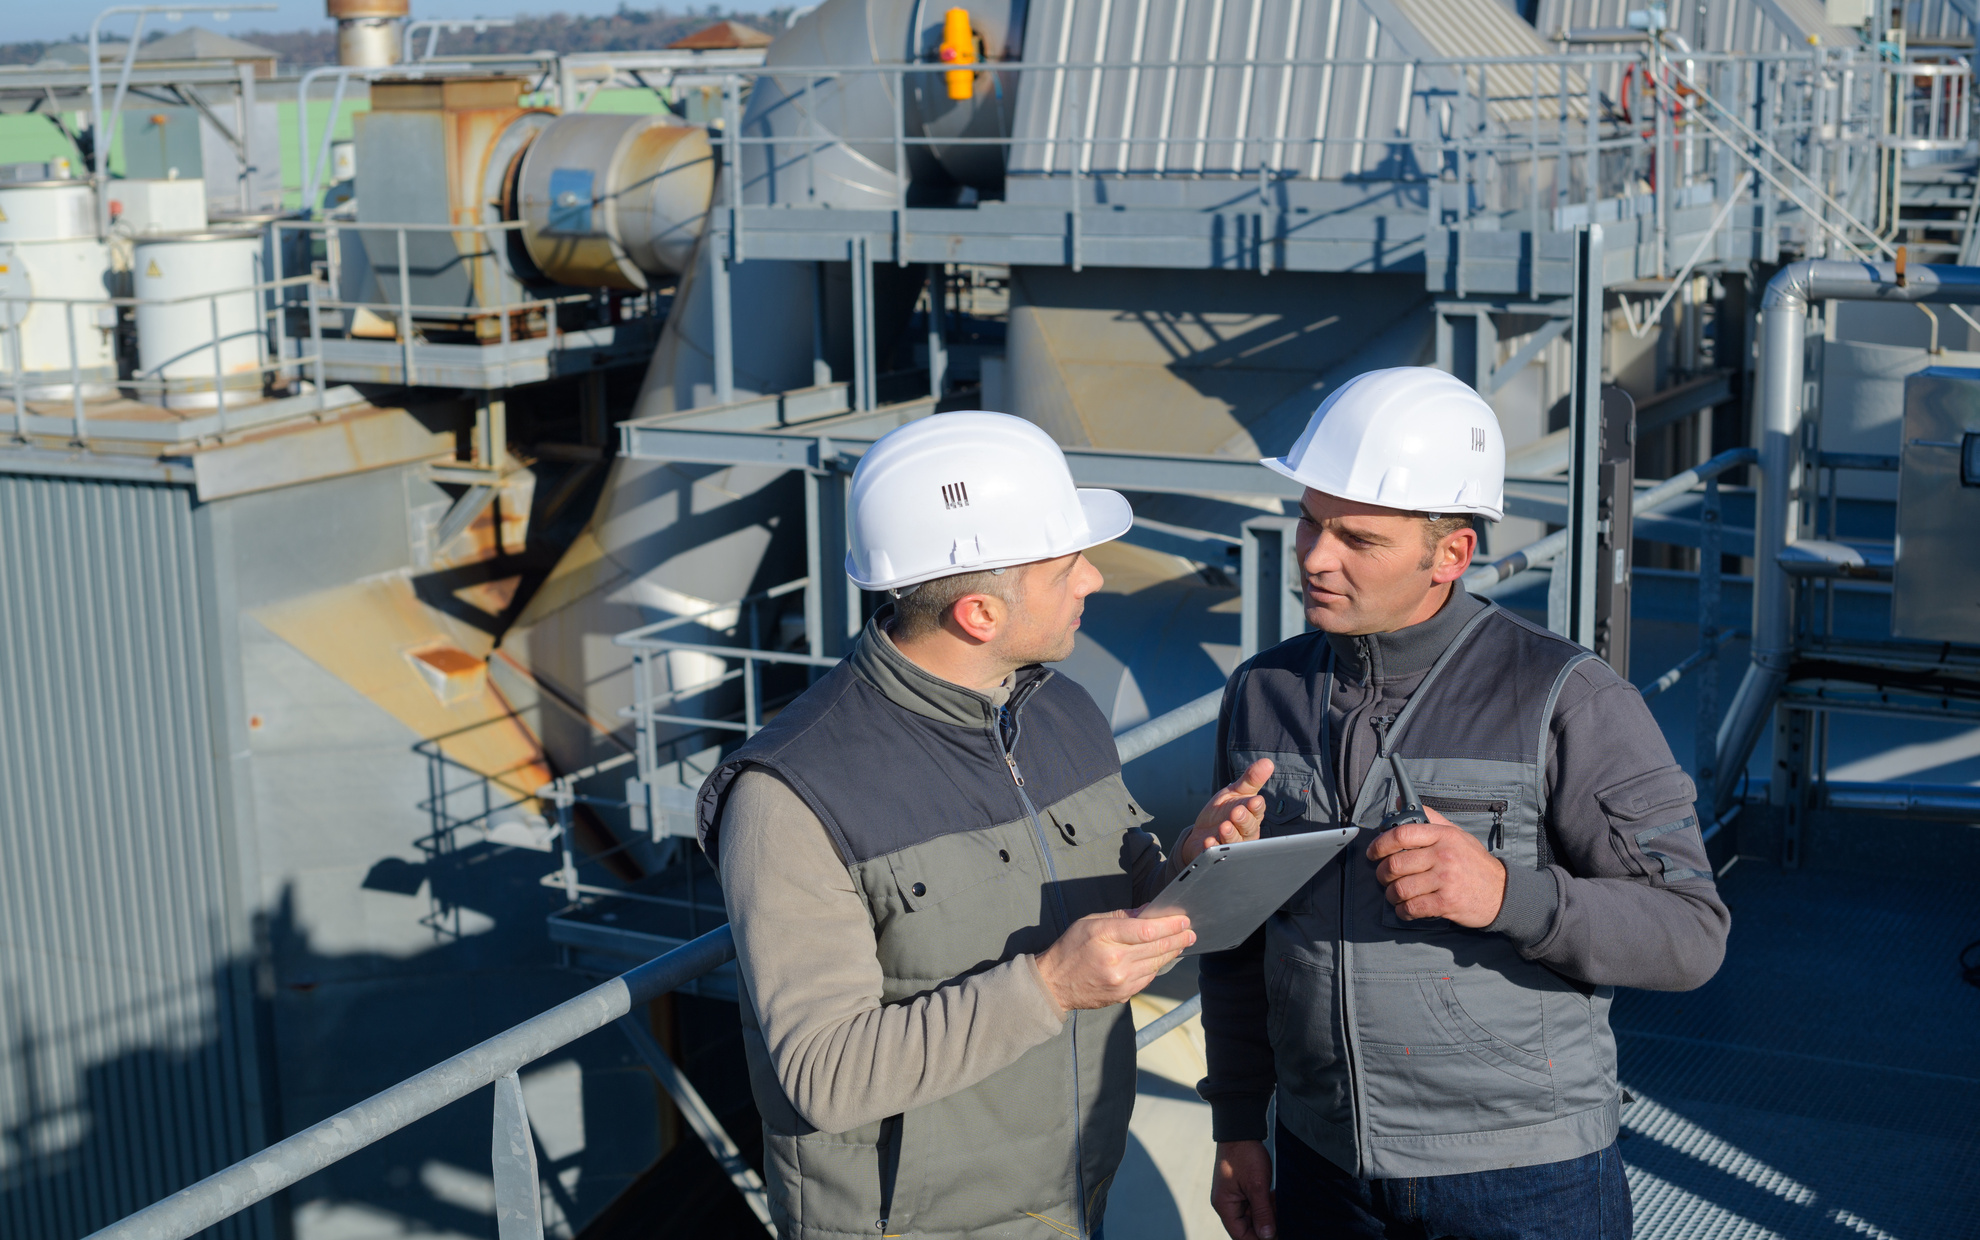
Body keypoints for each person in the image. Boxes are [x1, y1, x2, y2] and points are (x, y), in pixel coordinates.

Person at [696, 411, 1271, 1240]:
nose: (1093, 580)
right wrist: (1050, 987)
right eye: (1066, 566)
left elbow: (1119, 896)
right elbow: (825, 1075)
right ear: (978, 615)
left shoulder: (1062, 712)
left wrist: (1192, 863)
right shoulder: (789, 796)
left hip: (1073, 1192)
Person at [1198, 368, 1731, 1240]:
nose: (1315, 557)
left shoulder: (1568, 697)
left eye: (1357, 538)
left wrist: (1505, 895)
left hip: (1526, 1182)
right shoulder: (1263, 692)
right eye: (1309, 521)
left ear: (1450, 555)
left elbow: (1691, 934)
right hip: (1321, 1162)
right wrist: (1236, 1123)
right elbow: (1236, 941)